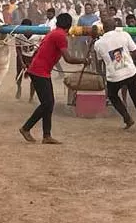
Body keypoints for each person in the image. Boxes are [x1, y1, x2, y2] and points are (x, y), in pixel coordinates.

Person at [19, 13, 89, 144]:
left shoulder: (53, 33)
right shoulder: (60, 36)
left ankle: (46, 135)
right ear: (69, 26)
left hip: (39, 70)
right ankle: (26, 128)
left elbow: (39, 51)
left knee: (48, 103)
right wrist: (83, 60)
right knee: (48, 103)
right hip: (40, 71)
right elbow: (68, 58)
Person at [94, 17, 136, 131]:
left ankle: (127, 118)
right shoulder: (124, 35)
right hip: (130, 72)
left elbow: (99, 62)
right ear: (115, 26)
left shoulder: (98, 43)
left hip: (114, 77)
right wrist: (130, 55)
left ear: (103, 29)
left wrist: (101, 75)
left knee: (113, 96)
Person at [15, 18, 42, 102]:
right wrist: (22, 62)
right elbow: (18, 49)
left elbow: (38, 50)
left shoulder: (37, 36)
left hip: (33, 57)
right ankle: (19, 88)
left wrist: (33, 62)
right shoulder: (19, 36)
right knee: (18, 75)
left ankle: (31, 97)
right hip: (22, 56)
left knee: (34, 78)